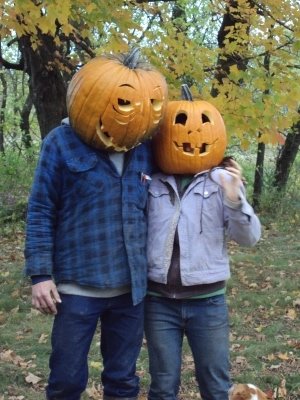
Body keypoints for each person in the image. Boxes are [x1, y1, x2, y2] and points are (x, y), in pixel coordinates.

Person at [24, 49, 167, 400]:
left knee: (122, 381)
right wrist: (40, 275)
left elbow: (189, 161)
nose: (132, 114)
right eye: (122, 102)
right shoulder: (60, 143)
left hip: (130, 290)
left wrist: (225, 167)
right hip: (76, 288)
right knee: (67, 380)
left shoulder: (146, 149)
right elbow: (41, 208)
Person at [144, 83, 261, 400]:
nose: (192, 133)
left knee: (215, 385)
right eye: (179, 124)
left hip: (207, 303)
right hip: (159, 302)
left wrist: (235, 199)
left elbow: (249, 238)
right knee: (163, 385)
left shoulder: (222, 182)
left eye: (203, 125)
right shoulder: (149, 180)